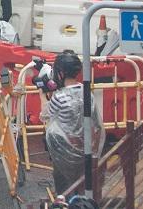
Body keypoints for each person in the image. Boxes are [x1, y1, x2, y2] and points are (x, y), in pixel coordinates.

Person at [43, 50, 105, 194]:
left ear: (60, 73)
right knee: (82, 185)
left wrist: (43, 94)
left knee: (64, 187)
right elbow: (96, 124)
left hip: (64, 151)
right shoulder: (87, 93)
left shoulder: (58, 97)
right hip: (85, 149)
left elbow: (46, 116)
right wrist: (94, 150)